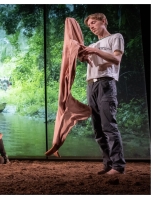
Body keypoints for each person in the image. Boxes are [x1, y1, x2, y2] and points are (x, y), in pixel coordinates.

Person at [79, 13, 126, 175]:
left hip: (106, 83)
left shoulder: (115, 38)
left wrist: (95, 51)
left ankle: (118, 166)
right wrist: (84, 57)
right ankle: (108, 164)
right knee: (98, 129)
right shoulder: (93, 44)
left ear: (104, 21)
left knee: (109, 126)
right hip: (91, 85)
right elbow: (92, 63)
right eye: (89, 25)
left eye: (94, 22)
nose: (91, 26)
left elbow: (116, 59)